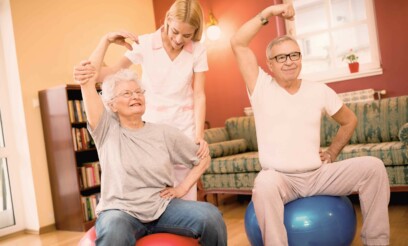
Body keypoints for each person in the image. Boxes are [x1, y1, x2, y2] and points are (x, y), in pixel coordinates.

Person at [230, 3, 390, 246]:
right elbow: (238, 43)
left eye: (294, 55)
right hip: (281, 179)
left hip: (318, 175)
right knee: (263, 184)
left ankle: (377, 242)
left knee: (374, 168)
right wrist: (269, 13)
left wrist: (332, 152)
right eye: (281, 57)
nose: (289, 61)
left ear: (301, 59)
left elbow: (349, 121)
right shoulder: (260, 86)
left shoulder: (319, 90)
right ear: (270, 64)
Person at [73, 62, 227, 246]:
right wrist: (105, 42)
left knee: (211, 216)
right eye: (127, 93)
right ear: (111, 105)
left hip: (162, 207)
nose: (135, 96)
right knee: (114, 230)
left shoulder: (163, 133)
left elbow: (202, 157)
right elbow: (87, 82)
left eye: (138, 92)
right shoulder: (106, 131)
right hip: (121, 211)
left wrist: (182, 188)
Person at [74, 0, 208, 201]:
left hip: (183, 128)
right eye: (175, 31)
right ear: (168, 20)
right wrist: (104, 43)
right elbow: (104, 74)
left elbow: (199, 94)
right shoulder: (145, 43)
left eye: (187, 35)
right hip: (151, 132)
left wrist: (198, 135)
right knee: (154, 195)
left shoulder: (197, 50)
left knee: (185, 198)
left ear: (195, 32)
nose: (179, 39)